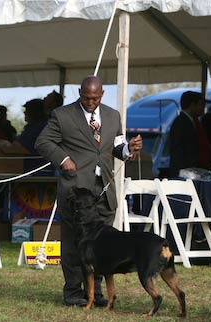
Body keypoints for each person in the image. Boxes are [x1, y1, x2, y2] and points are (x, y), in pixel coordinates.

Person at [35, 75, 142, 307]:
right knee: (75, 245)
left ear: (102, 94)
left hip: (105, 190)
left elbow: (117, 148)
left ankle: (96, 293)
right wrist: (63, 159)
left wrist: (129, 149)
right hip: (76, 191)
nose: (90, 102)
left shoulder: (113, 116)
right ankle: (73, 292)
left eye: (94, 98)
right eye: (85, 98)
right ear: (80, 93)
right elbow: (43, 142)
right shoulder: (62, 115)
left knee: (103, 245)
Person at [169, 91, 211, 177]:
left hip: (191, 172)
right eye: (201, 105)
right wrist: (182, 173)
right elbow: (176, 149)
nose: (203, 108)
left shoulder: (192, 122)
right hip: (184, 174)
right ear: (192, 105)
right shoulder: (181, 122)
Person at [13, 98, 48, 172]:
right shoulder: (30, 127)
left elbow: (22, 146)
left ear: (35, 112)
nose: (25, 112)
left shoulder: (40, 128)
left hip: (37, 169)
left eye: (28, 110)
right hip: (29, 168)